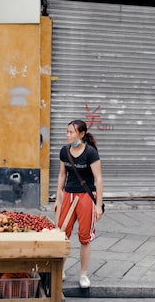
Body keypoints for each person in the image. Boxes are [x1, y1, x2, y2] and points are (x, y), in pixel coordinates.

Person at [54, 119, 104, 288]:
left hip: (86, 198)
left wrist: (98, 205)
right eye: (67, 132)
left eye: (71, 132)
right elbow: (62, 175)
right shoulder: (64, 151)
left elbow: (99, 179)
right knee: (61, 235)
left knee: (84, 238)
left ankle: (83, 274)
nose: (68, 135)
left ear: (81, 134)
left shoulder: (90, 153)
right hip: (68, 196)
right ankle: (60, 269)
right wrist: (57, 198)